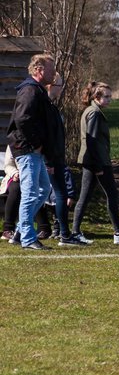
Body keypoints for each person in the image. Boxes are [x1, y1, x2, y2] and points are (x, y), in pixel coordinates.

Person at [67, 82, 119, 245]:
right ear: (96, 97)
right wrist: (98, 166)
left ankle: (75, 232)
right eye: (106, 97)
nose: (109, 100)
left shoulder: (90, 111)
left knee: (85, 197)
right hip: (97, 161)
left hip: (92, 161)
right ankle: (118, 233)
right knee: (112, 194)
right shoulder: (94, 114)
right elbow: (91, 141)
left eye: (110, 96)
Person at [5, 53, 57, 250]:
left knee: (43, 189)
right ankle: (27, 238)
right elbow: (22, 119)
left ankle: (20, 231)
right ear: (39, 70)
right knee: (30, 193)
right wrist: (35, 143)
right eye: (51, 70)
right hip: (27, 150)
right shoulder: (30, 91)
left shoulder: (38, 91)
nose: (54, 74)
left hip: (32, 150)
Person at [40, 71, 79, 244]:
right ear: (50, 86)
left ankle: (64, 233)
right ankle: (64, 234)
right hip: (50, 159)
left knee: (56, 194)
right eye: (59, 85)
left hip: (55, 158)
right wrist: (48, 160)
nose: (61, 89)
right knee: (53, 195)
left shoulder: (51, 106)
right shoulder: (45, 107)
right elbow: (46, 135)